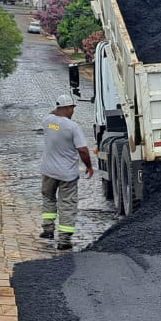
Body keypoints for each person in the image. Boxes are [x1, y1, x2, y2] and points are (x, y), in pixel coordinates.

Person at [39, 93, 93, 250]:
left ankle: (48, 230)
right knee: (67, 204)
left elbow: (51, 113)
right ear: (68, 108)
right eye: (72, 108)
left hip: (48, 171)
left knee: (48, 199)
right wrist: (89, 166)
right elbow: (82, 150)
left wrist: (57, 110)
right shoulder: (72, 127)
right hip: (67, 174)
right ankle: (64, 240)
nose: (73, 111)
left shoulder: (48, 122)